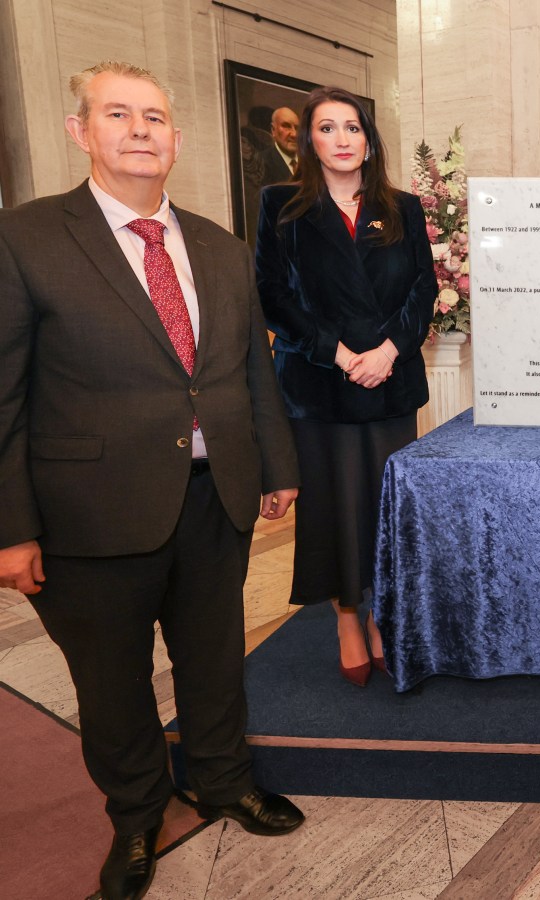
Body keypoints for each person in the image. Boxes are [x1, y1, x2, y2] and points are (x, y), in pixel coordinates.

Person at [0, 62, 305, 900]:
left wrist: (276, 469)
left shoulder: (220, 245)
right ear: (81, 131)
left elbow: (251, 372)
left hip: (217, 498)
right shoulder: (25, 240)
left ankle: (222, 778)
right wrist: (9, 527)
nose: (141, 130)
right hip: (87, 514)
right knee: (112, 679)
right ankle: (136, 814)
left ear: (177, 138)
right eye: (119, 114)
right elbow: (4, 394)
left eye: (156, 118)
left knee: (215, 659)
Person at [255, 86, 435, 686]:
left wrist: (386, 351)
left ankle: (383, 612)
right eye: (327, 128)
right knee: (334, 509)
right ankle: (347, 619)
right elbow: (273, 295)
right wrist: (337, 353)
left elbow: (423, 291)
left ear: (369, 138)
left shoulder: (402, 206)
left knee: (384, 508)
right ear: (309, 138)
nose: (341, 140)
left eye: (352, 128)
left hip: (388, 382)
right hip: (319, 386)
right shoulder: (280, 203)